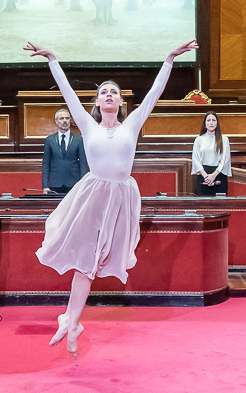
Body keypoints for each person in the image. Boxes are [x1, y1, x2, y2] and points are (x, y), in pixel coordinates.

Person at [23, 39, 198, 359]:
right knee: (85, 263)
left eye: (114, 91)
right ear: (97, 102)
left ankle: (70, 319)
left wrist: (169, 59)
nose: (108, 94)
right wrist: (52, 60)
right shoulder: (87, 125)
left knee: (94, 262)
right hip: (92, 197)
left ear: (120, 103)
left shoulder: (132, 123)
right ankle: (71, 321)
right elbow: (68, 95)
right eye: (103, 91)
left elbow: (154, 94)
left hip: (120, 200)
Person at [42, 109, 88, 194]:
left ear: (70, 120)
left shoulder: (79, 140)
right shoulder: (49, 140)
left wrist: (83, 184)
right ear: (56, 121)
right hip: (55, 183)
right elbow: (46, 164)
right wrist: (45, 186)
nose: (64, 121)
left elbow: (83, 163)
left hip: (74, 183)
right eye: (61, 118)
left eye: (67, 118)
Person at [191, 111, 232, 196]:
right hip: (203, 176)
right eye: (208, 120)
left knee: (220, 207)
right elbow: (195, 159)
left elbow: (225, 160)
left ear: (217, 123)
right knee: (203, 206)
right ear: (205, 123)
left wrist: (213, 175)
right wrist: (206, 177)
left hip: (219, 175)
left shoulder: (224, 139)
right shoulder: (199, 139)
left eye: (214, 120)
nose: (211, 123)